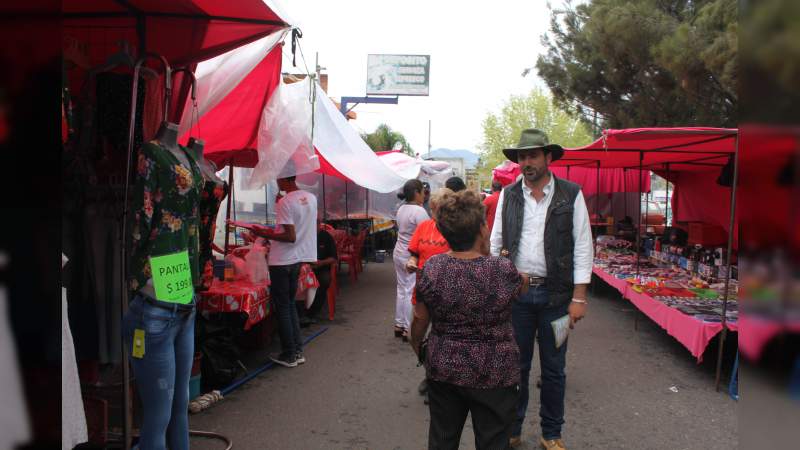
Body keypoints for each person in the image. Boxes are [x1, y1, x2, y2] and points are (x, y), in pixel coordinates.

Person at [490, 129, 593, 450]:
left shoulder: (571, 195)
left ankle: (552, 434)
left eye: (533, 155)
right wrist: (500, 285)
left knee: (554, 370)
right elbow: (495, 244)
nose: (527, 162)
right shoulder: (508, 195)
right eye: (522, 156)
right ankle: (513, 428)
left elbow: (583, 247)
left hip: (558, 300)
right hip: (517, 299)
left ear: (549, 157)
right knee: (515, 368)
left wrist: (579, 297)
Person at [410, 189, 528, 450]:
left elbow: (420, 317)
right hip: (495, 372)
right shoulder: (502, 269)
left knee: (443, 438)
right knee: (494, 441)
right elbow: (522, 287)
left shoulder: (433, 267)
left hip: (445, 368)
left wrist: (419, 348)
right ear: (482, 230)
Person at [245, 175, 317, 368]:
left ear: (284, 179)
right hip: (297, 260)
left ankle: (289, 354)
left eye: (278, 178)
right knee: (291, 305)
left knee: (284, 308)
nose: (276, 181)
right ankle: (297, 350)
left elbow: (289, 236)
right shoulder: (311, 198)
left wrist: (262, 233)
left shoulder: (286, 201)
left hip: (281, 261)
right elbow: (298, 226)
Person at [405, 188, 453, 404]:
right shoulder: (424, 226)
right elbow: (414, 252)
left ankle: (438, 382)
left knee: (442, 338)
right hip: (424, 286)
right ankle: (430, 371)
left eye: (439, 210)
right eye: (433, 209)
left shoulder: (456, 229)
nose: (435, 214)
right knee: (414, 335)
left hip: (449, 290)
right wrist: (412, 262)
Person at [393, 179, 430, 341]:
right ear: (416, 192)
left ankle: (399, 324)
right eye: (423, 191)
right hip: (411, 255)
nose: (425, 195)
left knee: (402, 289)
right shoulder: (419, 211)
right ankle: (408, 328)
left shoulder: (401, 208)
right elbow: (426, 234)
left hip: (399, 251)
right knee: (410, 290)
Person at [299, 222, 338, 327]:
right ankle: (299, 313)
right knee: (295, 280)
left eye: (315, 224)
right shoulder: (303, 235)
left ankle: (311, 314)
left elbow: (333, 258)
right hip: (304, 267)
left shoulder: (326, 237)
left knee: (325, 280)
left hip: (321, 267)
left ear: (319, 225)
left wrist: (321, 263)